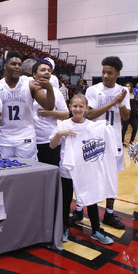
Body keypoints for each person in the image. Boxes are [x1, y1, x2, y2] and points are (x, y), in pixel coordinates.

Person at [50, 94, 116, 244]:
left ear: (86, 108)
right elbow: (52, 145)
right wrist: (60, 134)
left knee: (91, 200)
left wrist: (104, 126)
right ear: (70, 107)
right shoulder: (63, 124)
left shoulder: (93, 125)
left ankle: (96, 230)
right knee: (66, 201)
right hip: (67, 171)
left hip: (87, 170)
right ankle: (64, 227)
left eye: (81, 106)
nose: (78, 109)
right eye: (75, 106)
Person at [85, 56, 130, 229]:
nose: (105, 76)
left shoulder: (122, 92)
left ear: (117, 74)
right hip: (95, 140)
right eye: (103, 72)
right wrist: (112, 102)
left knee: (112, 179)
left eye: (109, 73)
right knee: (92, 177)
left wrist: (120, 103)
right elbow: (89, 114)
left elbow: (126, 117)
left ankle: (109, 213)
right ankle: (84, 209)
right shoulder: (93, 90)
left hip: (114, 140)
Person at [0, 50, 55, 160]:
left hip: (26, 139)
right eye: (13, 64)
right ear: (5, 66)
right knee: (6, 174)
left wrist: (50, 89)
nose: (17, 67)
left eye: (19, 65)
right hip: (4, 139)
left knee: (29, 174)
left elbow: (49, 106)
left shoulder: (30, 84)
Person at [32, 60, 69, 165]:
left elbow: (66, 114)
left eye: (49, 70)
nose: (47, 72)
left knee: (52, 174)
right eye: (43, 70)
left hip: (50, 140)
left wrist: (52, 112)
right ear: (34, 74)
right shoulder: (27, 90)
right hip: (31, 141)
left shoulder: (56, 92)